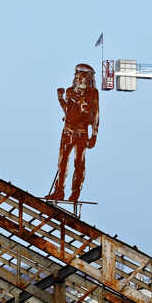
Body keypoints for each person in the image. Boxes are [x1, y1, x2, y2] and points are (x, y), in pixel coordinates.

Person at [48, 64, 99, 202]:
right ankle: (59, 191)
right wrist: (60, 98)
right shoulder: (70, 91)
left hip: (81, 134)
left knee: (79, 163)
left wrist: (94, 134)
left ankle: (75, 193)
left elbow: (95, 115)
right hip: (67, 132)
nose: (79, 78)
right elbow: (67, 111)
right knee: (62, 162)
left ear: (88, 78)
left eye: (82, 76)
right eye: (77, 76)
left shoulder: (93, 93)